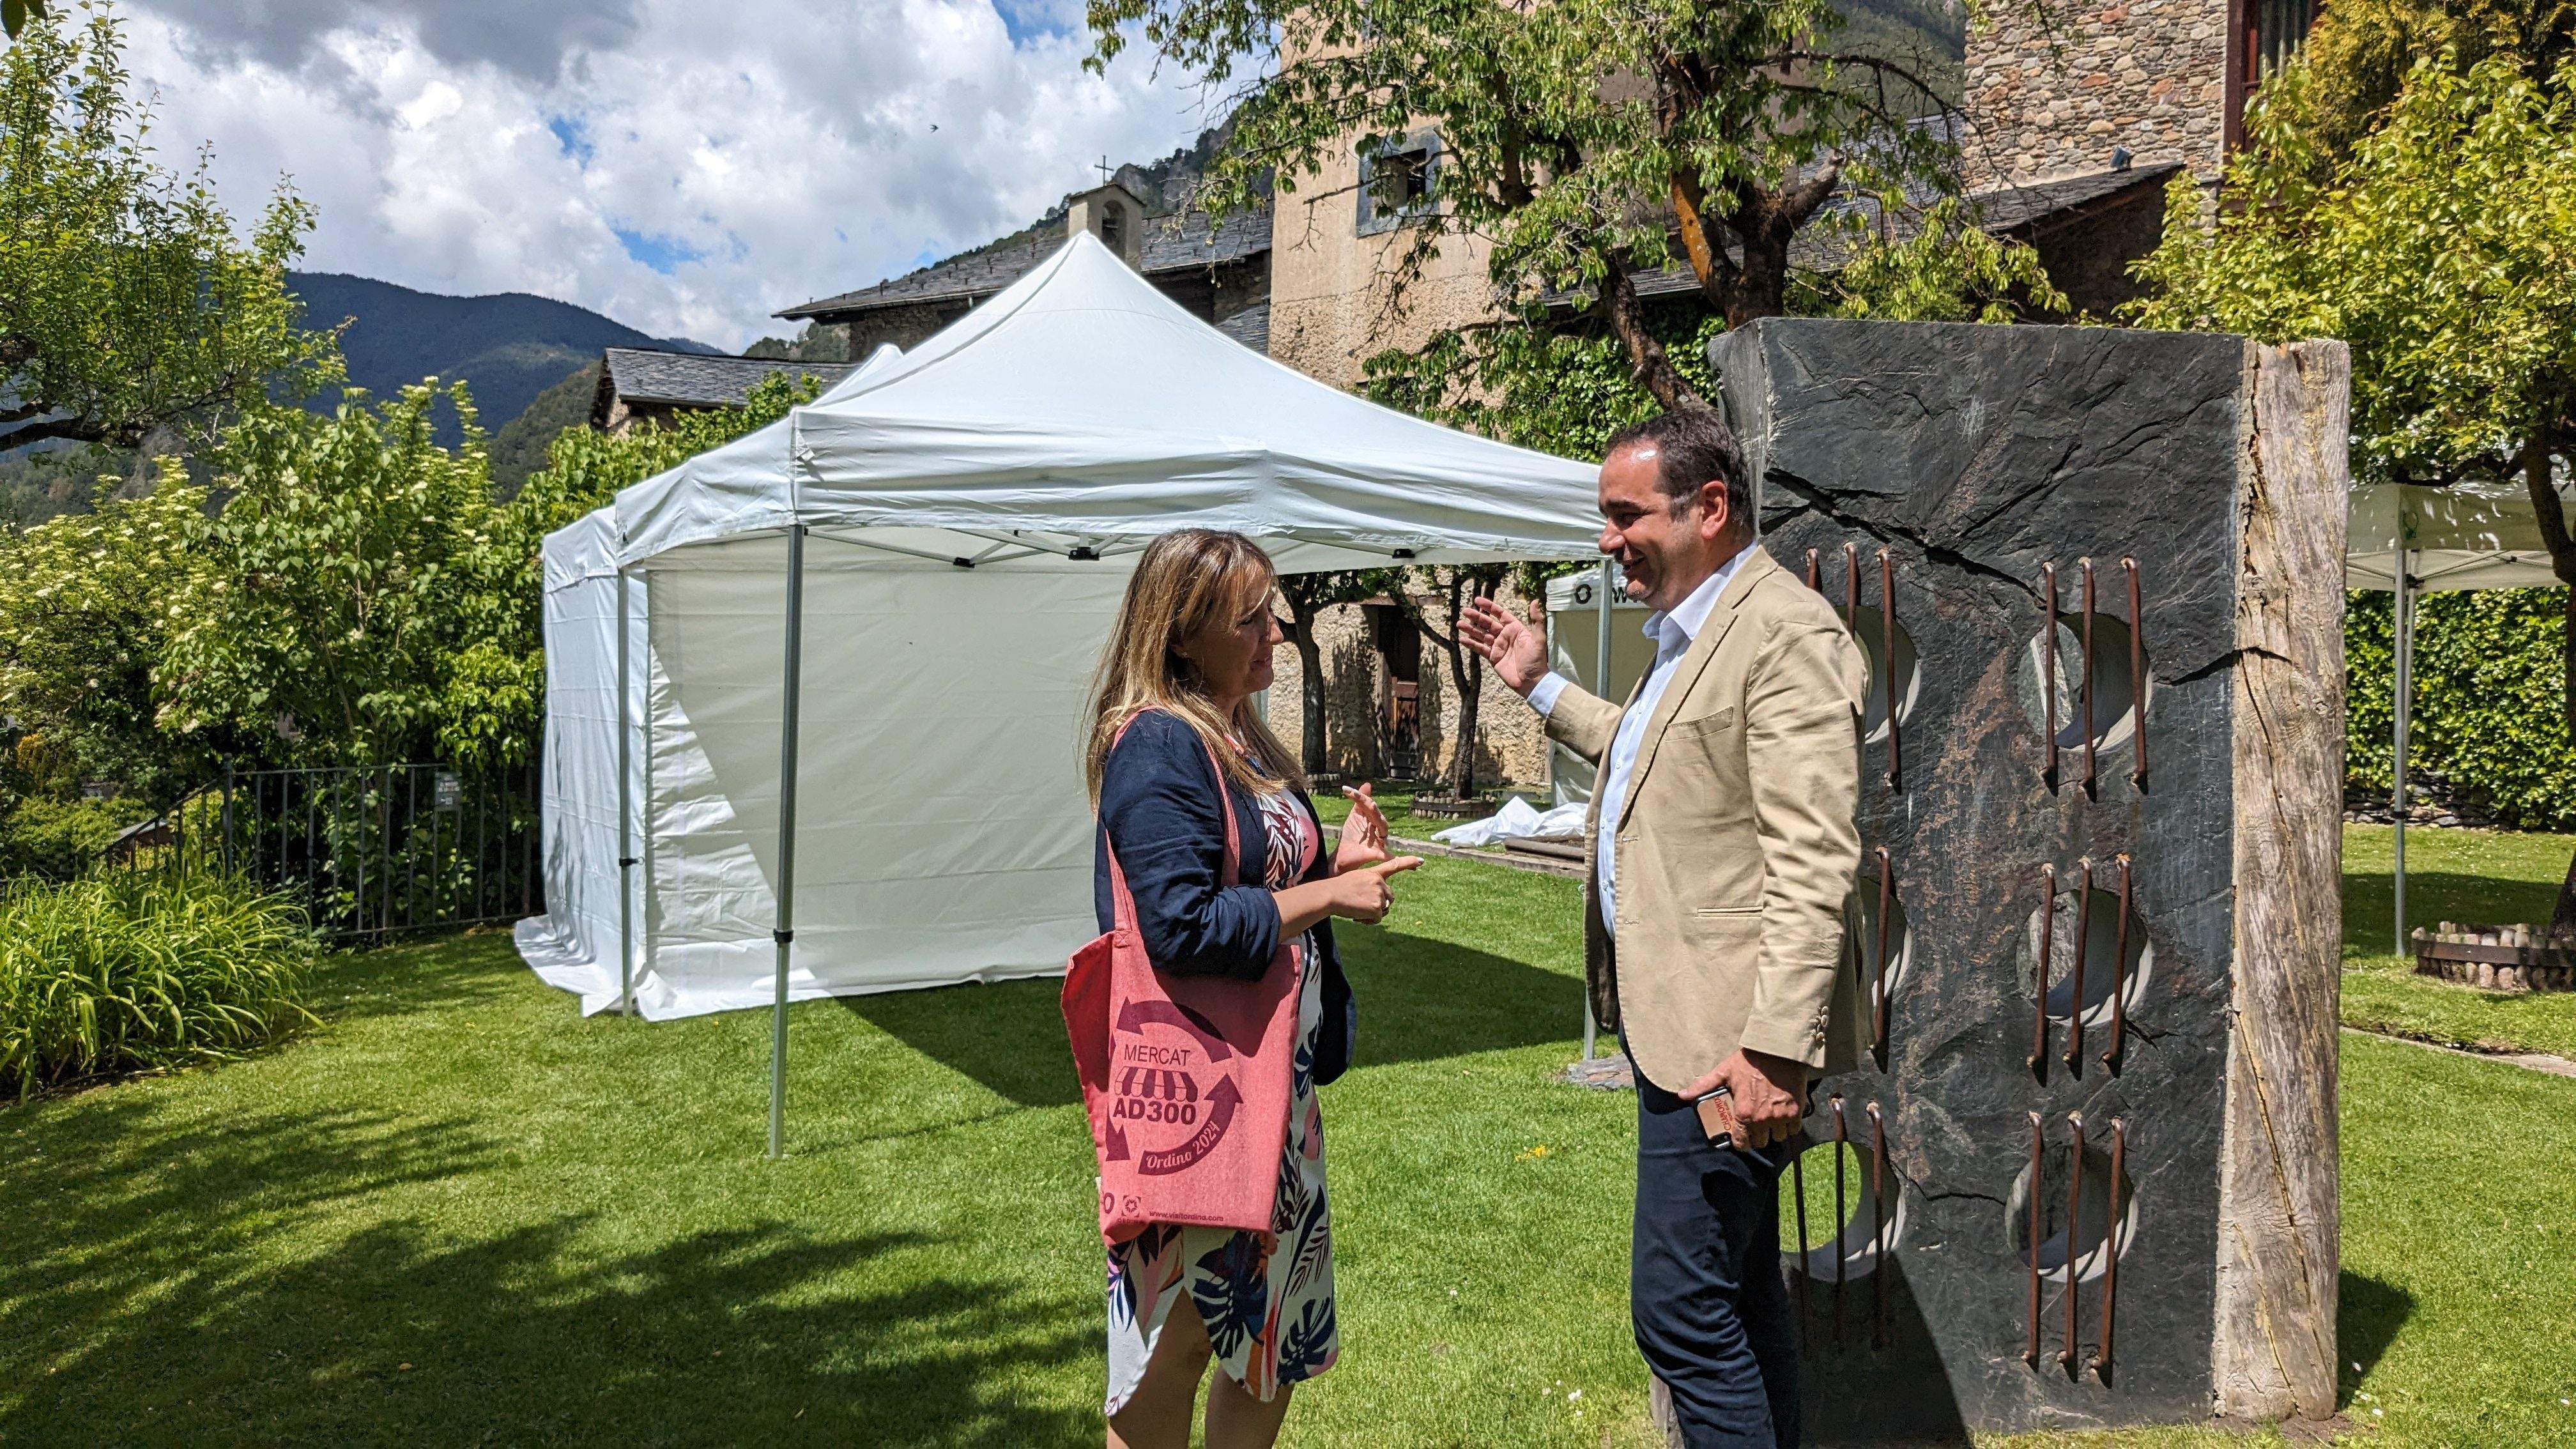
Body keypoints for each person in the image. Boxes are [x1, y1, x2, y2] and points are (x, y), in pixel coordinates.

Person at [1460, 409, 1866, 1448]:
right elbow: (1655, 757)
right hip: (1683, 1032)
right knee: (1739, 1295)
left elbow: (1816, 856)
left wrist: (1775, 1049)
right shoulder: (1698, 631)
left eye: (1624, 515)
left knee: (1681, 1311)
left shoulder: (1784, 634)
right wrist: (1541, 683)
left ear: (1711, 509)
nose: (1606, 540)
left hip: (1727, 1052)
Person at [1082, 528, 1421, 1449]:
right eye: (1252, 616)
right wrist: (1327, 894)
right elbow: (1180, 929)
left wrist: (1335, 864)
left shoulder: (1242, 736)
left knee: (1273, 1337)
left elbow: (1267, 879)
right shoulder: (1156, 745)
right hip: (1200, 1098)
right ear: (1184, 633)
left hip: (1274, 1093)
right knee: (1182, 1341)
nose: (1276, 629)